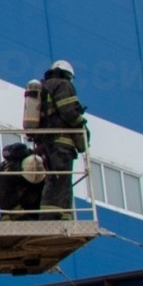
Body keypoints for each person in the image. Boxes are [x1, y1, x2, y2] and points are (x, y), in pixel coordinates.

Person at [36, 60, 88, 216]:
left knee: (51, 179)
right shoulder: (63, 85)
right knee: (61, 181)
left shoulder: (42, 87)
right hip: (60, 143)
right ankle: (56, 216)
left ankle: (54, 214)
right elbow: (69, 112)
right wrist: (82, 124)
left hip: (43, 143)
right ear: (68, 75)